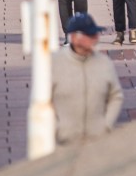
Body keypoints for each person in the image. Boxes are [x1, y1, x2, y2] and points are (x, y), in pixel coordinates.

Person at [52, 13, 124, 145]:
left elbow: (116, 96)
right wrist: (57, 129)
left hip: (97, 141)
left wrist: (106, 125)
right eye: (90, 35)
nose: (96, 38)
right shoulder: (55, 64)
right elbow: (43, 101)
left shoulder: (104, 63)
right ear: (74, 38)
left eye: (95, 34)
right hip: (64, 142)